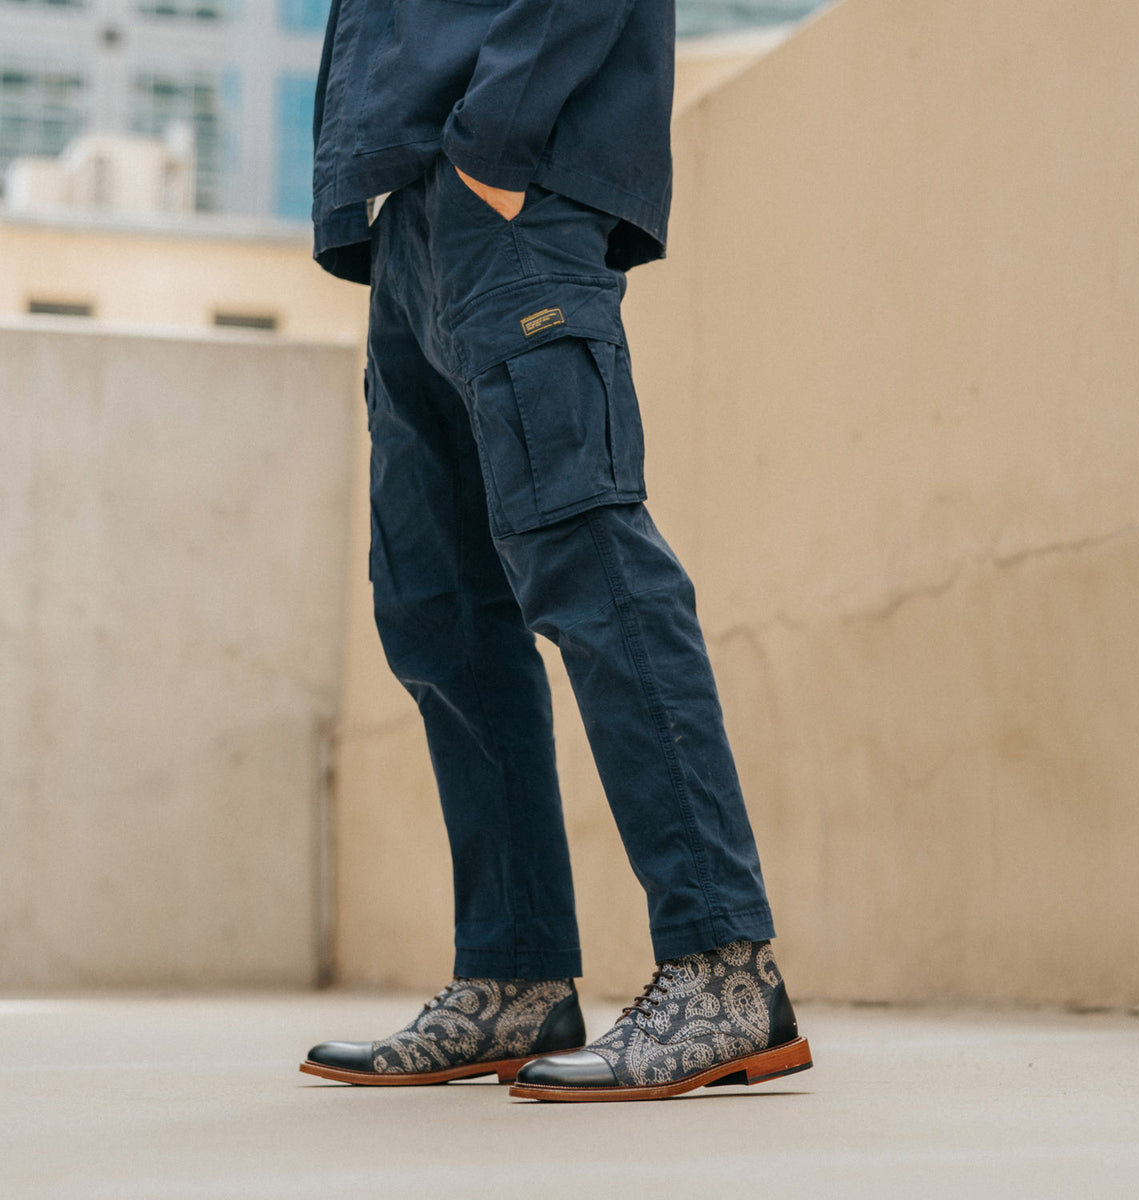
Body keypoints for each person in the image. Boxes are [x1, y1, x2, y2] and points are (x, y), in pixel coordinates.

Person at [298, 0, 812, 1101]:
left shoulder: (500, 157)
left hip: (509, 190)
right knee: (438, 610)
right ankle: (514, 972)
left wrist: (495, 140)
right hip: (412, 215)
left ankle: (724, 969)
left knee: (591, 563)